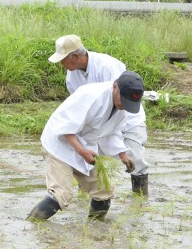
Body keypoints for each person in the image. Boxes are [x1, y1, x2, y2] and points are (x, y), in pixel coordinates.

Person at [27, 71, 144, 221]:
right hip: (60, 145)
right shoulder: (91, 95)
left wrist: (123, 155)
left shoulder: (121, 108)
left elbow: (112, 133)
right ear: (115, 87)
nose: (124, 106)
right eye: (123, 100)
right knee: (61, 194)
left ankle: (95, 229)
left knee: (104, 190)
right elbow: (65, 127)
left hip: (86, 148)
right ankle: (31, 225)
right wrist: (82, 151)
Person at [48, 34, 149, 196]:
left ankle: (140, 200)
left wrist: (121, 150)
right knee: (89, 158)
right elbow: (77, 110)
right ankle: (90, 193)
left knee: (134, 158)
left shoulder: (107, 66)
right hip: (99, 122)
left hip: (128, 118)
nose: (61, 64)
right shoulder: (71, 76)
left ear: (74, 56)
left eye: (62, 59)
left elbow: (123, 99)